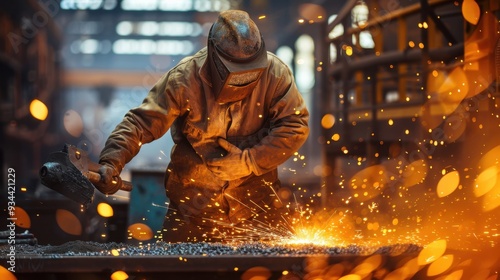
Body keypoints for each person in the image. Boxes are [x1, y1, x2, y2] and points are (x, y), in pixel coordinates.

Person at [95, 10, 309, 242]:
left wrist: (250, 161)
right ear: (214, 57)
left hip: (256, 206)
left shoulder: (275, 73)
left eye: (252, 73)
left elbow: (295, 124)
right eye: (238, 75)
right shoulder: (184, 79)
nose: (245, 82)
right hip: (192, 211)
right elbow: (140, 123)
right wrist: (111, 161)